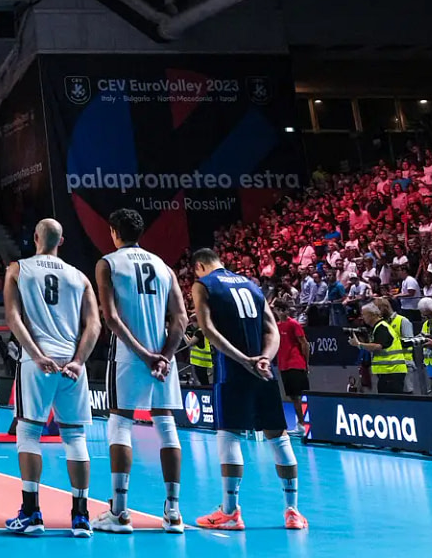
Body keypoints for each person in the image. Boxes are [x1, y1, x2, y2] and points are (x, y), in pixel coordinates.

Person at [190, 249, 305, 532]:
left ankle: (229, 511)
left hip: (232, 372)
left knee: (229, 435)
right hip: (264, 371)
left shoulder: (203, 285)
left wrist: (242, 360)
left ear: (200, 266)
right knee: (279, 438)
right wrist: (264, 357)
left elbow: (207, 329)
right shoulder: (251, 284)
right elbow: (271, 330)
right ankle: (292, 511)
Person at [1, 218, 99, 538]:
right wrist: (79, 361)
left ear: (35, 237)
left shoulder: (18, 269)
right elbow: (94, 326)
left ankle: (31, 513)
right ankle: (81, 516)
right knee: (75, 438)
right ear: (62, 241)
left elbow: (13, 317)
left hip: (36, 361)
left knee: (28, 434)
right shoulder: (80, 277)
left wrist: (36, 354)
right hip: (71, 363)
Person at [92, 209, 185, 534]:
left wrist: (145, 356)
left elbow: (112, 318)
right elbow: (181, 318)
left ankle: (119, 511)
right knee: (166, 425)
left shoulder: (108, 263)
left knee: (120, 424)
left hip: (130, 355)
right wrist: (165, 355)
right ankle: (173, 513)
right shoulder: (163, 266)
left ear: (114, 231)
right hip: (164, 355)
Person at [349, 302, 408, 394]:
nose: (362, 317)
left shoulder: (382, 327)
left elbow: (378, 346)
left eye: (364, 314)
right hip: (388, 372)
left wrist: (359, 344)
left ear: (371, 315)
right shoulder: (378, 327)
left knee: (391, 402)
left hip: (392, 372)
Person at [275, 300, 310, 426]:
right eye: (279, 310)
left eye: (283, 310)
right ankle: (301, 423)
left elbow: (304, 343)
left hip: (296, 364)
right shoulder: (276, 326)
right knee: (293, 397)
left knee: (300, 396)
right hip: (283, 366)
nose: (281, 312)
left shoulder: (294, 324)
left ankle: (304, 424)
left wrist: (306, 363)